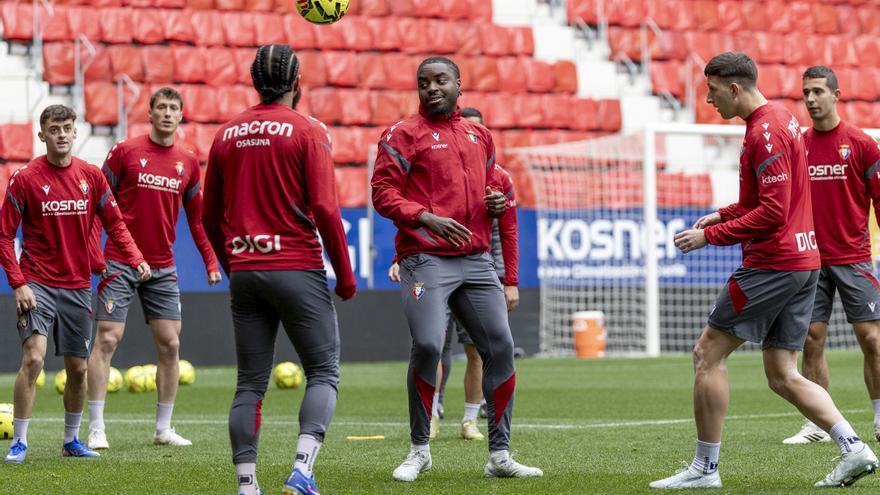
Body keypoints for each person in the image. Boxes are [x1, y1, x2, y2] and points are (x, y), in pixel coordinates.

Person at [651, 52, 878, 489]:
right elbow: (773, 199)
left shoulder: (767, 131)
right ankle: (855, 448)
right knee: (782, 372)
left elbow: (773, 213)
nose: (708, 99)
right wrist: (723, 214)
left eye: (712, 89)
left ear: (734, 88)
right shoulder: (783, 120)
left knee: (707, 354)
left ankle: (705, 469)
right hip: (805, 261)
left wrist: (710, 238)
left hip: (773, 264)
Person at [372, 56, 541, 482]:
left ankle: (499, 454)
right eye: (423, 82)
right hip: (424, 258)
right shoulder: (402, 134)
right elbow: (381, 193)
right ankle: (419, 449)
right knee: (428, 345)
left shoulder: (479, 135)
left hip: (476, 259)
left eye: (440, 80)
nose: (431, 88)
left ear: (458, 85)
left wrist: (495, 205)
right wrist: (424, 217)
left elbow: (491, 194)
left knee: (500, 347)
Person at [203, 44, 356, 495]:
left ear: (254, 81)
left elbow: (209, 217)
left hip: (246, 269)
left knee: (250, 382)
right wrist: (345, 277)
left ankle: (247, 486)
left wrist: (234, 265)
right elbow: (326, 209)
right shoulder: (308, 130)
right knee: (323, 371)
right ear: (296, 83)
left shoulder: (226, 134)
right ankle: (302, 471)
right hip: (297, 266)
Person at [1, 105, 150, 463]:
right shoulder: (25, 179)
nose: (62, 135)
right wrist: (19, 283)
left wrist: (136, 257)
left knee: (79, 369)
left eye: (68, 128)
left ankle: (71, 440)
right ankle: (19, 441)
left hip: (78, 286)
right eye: (55, 129)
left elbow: (115, 224)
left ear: (75, 131)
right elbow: (4, 235)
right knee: (33, 359)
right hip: (37, 283)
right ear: (42, 135)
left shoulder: (92, 176)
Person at [86, 87, 222, 450]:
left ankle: (163, 428)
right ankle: (96, 428)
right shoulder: (125, 152)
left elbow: (197, 220)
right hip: (120, 259)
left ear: (181, 116)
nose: (166, 113)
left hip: (162, 266)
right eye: (160, 107)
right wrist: (94, 253)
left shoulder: (189, 162)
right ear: (149, 113)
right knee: (107, 339)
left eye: (173, 108)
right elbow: (98, 202)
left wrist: (211, 260)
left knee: (170, 344)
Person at [387, 108, 521, 443]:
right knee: (433, 345)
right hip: (431, 265)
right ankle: (429, 419)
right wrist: (400, 257)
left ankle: (475, 424)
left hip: (478, 265)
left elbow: (509, 231)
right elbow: (403, 202)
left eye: (473, 134)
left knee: (481, 348)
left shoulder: (499, 179)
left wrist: (510, 281)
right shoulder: (436, 168)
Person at [781, 66, 880, 445]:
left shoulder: (862, 144)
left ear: (836, 95)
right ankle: (817, 426)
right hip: (810, 260)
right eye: (806, 92)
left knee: (871, 338)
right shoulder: (798, 146)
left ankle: (878, 416)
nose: (810, 99)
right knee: (811, 339)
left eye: (818, 91)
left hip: (854, 257)